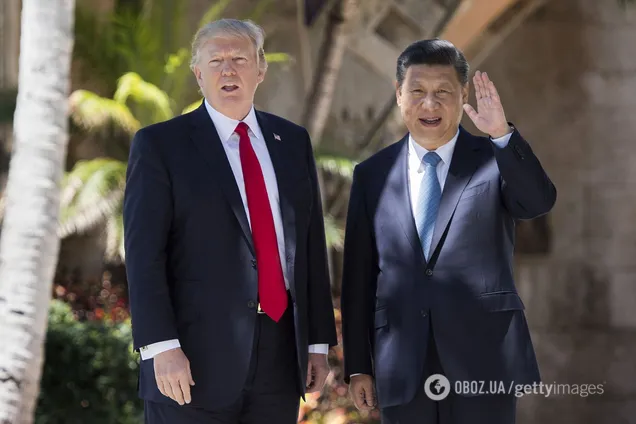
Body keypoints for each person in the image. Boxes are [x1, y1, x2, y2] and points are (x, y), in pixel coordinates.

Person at [123, 18, 338, 423]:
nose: (228, 70)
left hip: (280, 357)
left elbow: (309, 245)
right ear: (197, 73)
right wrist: (160, 347)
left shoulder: (292, 142)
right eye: (215, 61)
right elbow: (143, 255)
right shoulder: (160, 145)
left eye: (239, 59)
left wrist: (317, 344)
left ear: (260, 70)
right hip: (190, 359)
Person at [340, 38, 557, 424]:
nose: (430, 104)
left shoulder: (494, 158)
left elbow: (537, 202)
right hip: (403, 364)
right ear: (398, 94)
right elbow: (358, 278)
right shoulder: (371, 175)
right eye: (417, 92)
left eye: (443, 92)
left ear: (463, 95)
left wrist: (502, 135)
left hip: (484, 359)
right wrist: (358, 365)